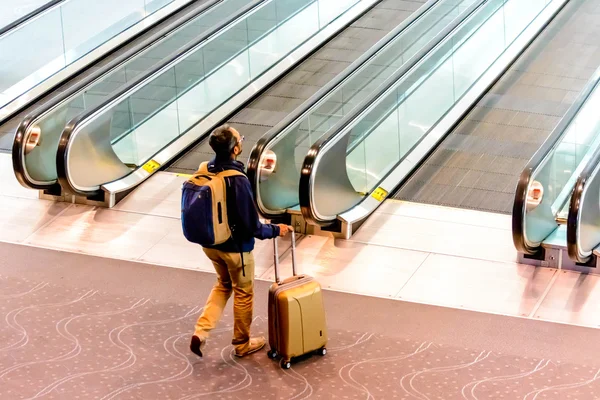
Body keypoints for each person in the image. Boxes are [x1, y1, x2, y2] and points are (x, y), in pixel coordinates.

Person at [190, 124, 290, 358]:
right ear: (236, 149)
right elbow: (251, 226)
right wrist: (276, 230)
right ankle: (242, 344)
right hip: (236, 250)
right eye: (240, 139)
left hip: (210, 244)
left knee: (223, 285)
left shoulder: (205, 169)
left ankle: (201, 332)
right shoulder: (237, 179)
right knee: (243, 293)